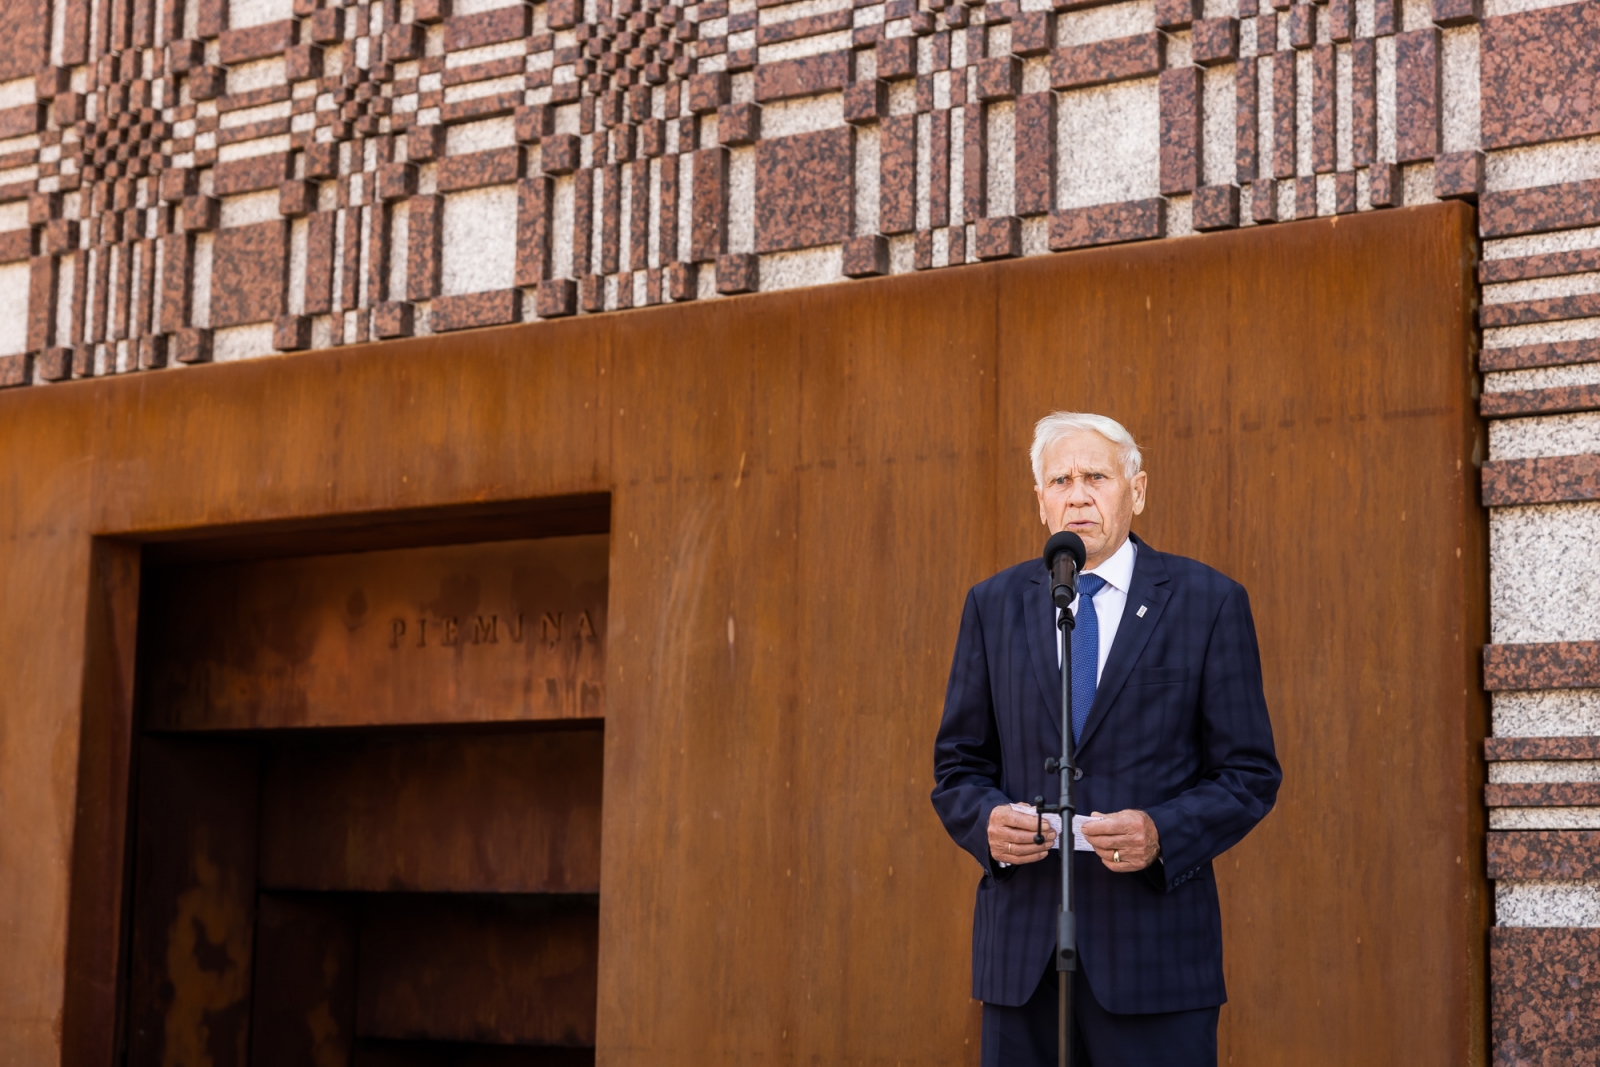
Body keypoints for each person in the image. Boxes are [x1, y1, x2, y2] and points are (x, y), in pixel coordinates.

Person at [931, 411, 1282, 1067]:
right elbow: (957, 765)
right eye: (1060, 479)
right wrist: (986, 822)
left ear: (1137, 489)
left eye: (1096, 475)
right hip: (1022, 961)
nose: (1078, 493)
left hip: (1155, 960)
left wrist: (1162, 831)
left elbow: (1249, 774)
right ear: (1041, 500)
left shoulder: (1207, 602)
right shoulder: (994, 605)